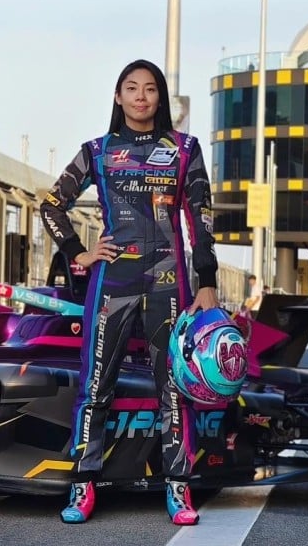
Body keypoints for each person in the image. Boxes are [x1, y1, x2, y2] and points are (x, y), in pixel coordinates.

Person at [40, 59, 219, 526]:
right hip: (113, 282)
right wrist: (79, 253)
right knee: (95, 386)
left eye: (151, 89)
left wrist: (208, 282)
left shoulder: (185, 149)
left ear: (161, 99)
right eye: (132, 88)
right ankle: (83, 485)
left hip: (170, 283)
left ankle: (178, 489)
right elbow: (51, 205)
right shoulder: (97, 151)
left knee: (175, 388)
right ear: (118, 97)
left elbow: (200, 218)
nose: (141, 96)